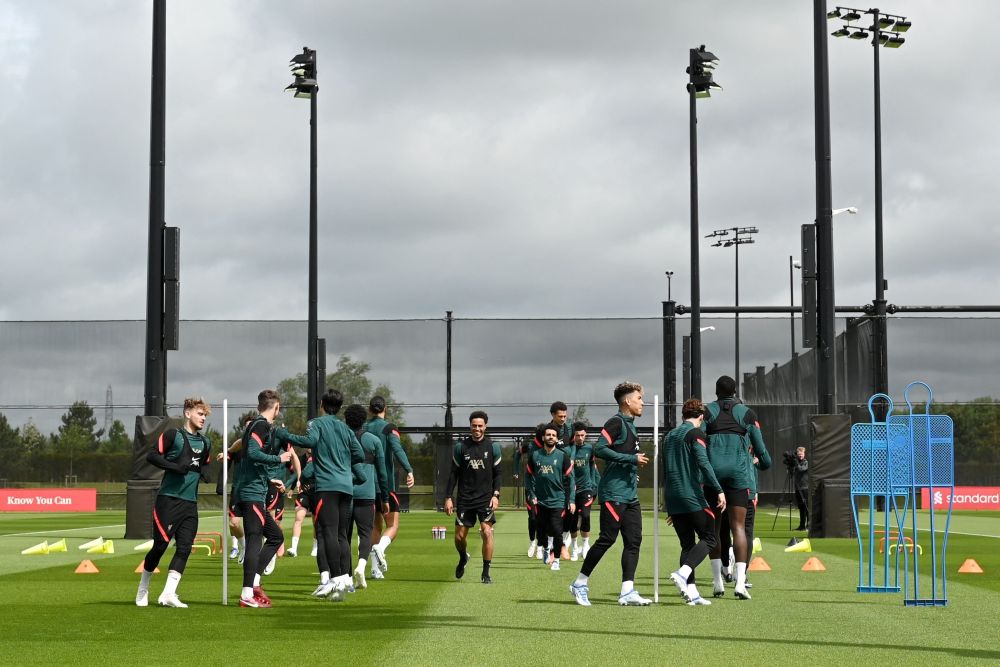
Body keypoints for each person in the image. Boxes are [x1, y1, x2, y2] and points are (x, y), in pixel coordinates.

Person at [275, 389, 366, 602]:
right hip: (346, 488)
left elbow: (309, 441)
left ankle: (335, 579)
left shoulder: (317, 423)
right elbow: (359, 454)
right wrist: (342, 460)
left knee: (328, 532)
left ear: (322, 403)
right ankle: (344, 577)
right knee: (342, 534)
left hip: (327, 486)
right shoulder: (345, 429)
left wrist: (284, 434)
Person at [570, 382, 650, 607]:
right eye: (639, 398)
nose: (642, 402)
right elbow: (600, 448)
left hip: (630, 495)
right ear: (627, 401)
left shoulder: (632, 426)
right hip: (613, 493)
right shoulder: (616, 422)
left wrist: (633, 468)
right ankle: (579, 583)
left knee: (634, 541)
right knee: (607, 538)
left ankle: (627, 591)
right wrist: (631, 459)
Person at [135, 397, 213, 608]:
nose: (203, 418)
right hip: (168, 500)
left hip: (190, 503)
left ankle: (168, 594)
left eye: (205, 415)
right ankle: (143, 587)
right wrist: (173, 466)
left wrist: (206, 474)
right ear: (187, 413)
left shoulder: (206, 442)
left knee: (185, 548)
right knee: (160, 545)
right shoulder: (173, 435)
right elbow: (152, 456)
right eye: (200, 413)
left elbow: (203, 464)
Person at [703, 375, 771, 600]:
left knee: (714, 530)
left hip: (713, 476)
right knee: (739, 528)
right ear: (734, 392)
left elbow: (697, 439)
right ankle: (741, 583)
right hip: (739, 476)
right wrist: (763, 461)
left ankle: (717, 582)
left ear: (716, 391)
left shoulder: (708, 411)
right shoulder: (746, 413)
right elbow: (761, 451)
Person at [230, 390, 292, 608]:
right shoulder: (261, 425)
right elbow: (254, 453)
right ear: (275, 407)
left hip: (256, 490)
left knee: (275, 536)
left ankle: (254, 582)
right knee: (255, 540)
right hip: (251, 494)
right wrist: (278, 458)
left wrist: (269, 480)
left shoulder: (254, 426)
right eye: (279, 409)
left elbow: (251, 462)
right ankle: (247, 594)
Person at [663, 398, 726, 606]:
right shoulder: (696, 433)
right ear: (701, 416)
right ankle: (683, 573)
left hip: (673, 497)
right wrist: (718, 489)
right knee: (710, 538)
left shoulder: (670, 435)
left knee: (687, 544)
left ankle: (691, 592)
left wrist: (667, 503)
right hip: (690, 495)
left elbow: (665, 470)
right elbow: (703, 462)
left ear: (683, 415)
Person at [444, 410, 502, 584]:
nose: (477, 428)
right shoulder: (461, 447)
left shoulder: (493, 447)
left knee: (487, 532)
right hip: (465, 499)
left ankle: (486, 573)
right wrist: (448, 497)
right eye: (474, 425)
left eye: (480, 426)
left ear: (485, 426)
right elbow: (453, 474)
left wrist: (496, 495)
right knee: (459, 537)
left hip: (485, 499)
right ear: (470, 426)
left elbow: (498, 474)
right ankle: (463, 557)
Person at [366, 395, 415, 579]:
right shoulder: (389, 428)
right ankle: (380, 548)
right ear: (385, 408)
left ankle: (374, 569)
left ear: (370, 409)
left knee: (375, 527)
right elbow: (398, 450)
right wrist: (409, 470)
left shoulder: (363, 428)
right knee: (392, 526)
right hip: (385, 485)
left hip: (367, 486)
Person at [343, 403, 390, 591]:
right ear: (364, 420)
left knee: (343, 536)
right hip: (367, 495)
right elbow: (383, 474)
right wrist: (385, 498)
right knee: (365, 534)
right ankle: (361, 566)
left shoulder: (342, 439)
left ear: (346, 420)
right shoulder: (373, 440)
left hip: (344, 494)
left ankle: (345, 577)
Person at [526, 423, 575, 571]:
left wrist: (571, 500)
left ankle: (557, 560)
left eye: (553, 435)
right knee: (541, 529)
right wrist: (532, 493)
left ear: (557, 438)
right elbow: (528, 476)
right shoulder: (535, 455)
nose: (551, 437)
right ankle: (545, 548)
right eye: (548, 435)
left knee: (556, 530)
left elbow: (571, 480)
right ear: (543, 437)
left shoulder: (562, 456)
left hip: (558, 500)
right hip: (540, 500)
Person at [549, 401, 576, 559]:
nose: (563, 419)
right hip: (552, 474)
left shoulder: (570, 428)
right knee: (552, 513)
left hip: (567, 472)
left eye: (565, 416)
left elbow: (572, 445)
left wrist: (571, 458)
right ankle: (548, 546)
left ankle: (562, 543)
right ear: (552, 415)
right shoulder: (547, 430)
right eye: (560, 416)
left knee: (570, 511)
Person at [569, 422, 600, 561]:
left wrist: (594, 482)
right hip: (572, 490)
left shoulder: (589, 448)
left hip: (587, 488)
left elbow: (593, 465)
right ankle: (575, 548)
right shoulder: (569, 450)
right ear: (573, 436)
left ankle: (586, 546)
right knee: (573, 519)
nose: (580, 438)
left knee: (586, 516)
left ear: (585, 435)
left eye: (582, 435)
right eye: (577, 435)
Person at [512, 435, 539, 557]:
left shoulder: (551, 447)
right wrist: (516, 471)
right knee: (532, 517)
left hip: (546, 489)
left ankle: (542, 545)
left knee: (544, 519)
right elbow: (518, 454)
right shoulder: (530, 445)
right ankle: (532, 542)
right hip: (530, 487)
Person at [794, 447, 810, 531]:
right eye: (799, 454)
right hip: (797, 488)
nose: (800, 456)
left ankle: (808, 525)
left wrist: (796, 463)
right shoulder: (796, 462)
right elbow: (791, 472)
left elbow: (801, 469)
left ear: (804, 454)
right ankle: (802, 525)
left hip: (805, 488)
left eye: (801, 454)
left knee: (806, 507)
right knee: (800, 507)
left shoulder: (806, 462)